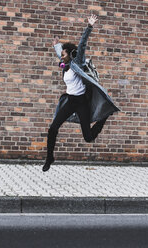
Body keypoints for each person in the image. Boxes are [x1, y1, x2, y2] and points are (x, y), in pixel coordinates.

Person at [43, 14, 120, 172]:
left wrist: (89, 27)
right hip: (70, 102)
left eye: (64, 53)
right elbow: (59, 53)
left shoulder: (76, 62)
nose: (61, 56)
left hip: (82, 103)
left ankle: (104, 116)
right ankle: (49, 157)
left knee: (88, 137)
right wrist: (56, 45)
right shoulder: (65, 63)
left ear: (70, 54)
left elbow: (82, 44)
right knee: (53, 128)